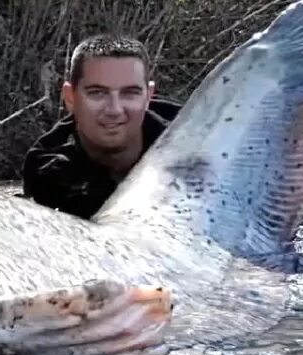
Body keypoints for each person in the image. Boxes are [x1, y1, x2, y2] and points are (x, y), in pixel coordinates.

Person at [21, 35, 182, 219]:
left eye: (130, 93)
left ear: (148, 97)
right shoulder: (49, 171)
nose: (114, 110)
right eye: (97, 93)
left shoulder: (194, 142)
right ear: (70, 97)